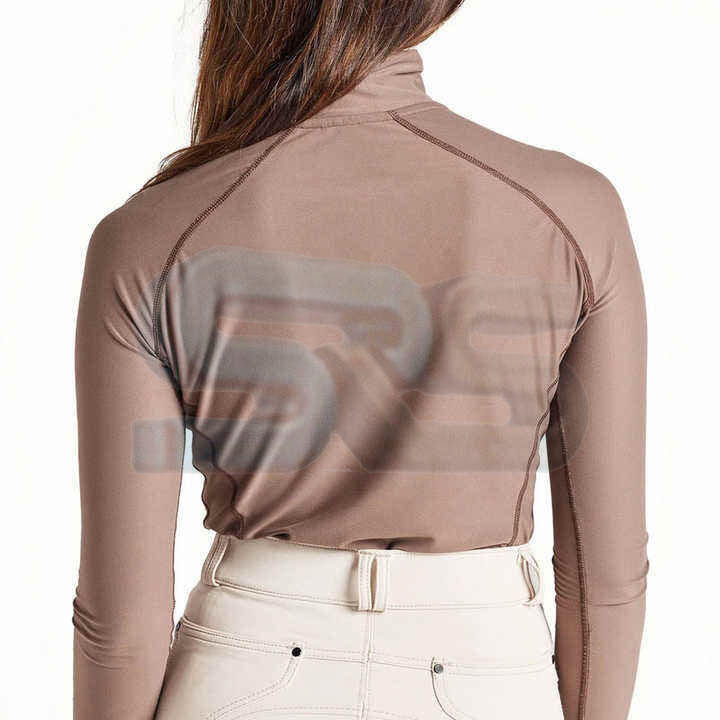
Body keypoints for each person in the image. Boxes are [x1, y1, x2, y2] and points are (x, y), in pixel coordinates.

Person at [73, 2, 648, 719]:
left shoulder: (150, 235)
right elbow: (605, 577)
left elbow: (121, 622)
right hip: (484, 666)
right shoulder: (572, 213)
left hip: (245, 666)